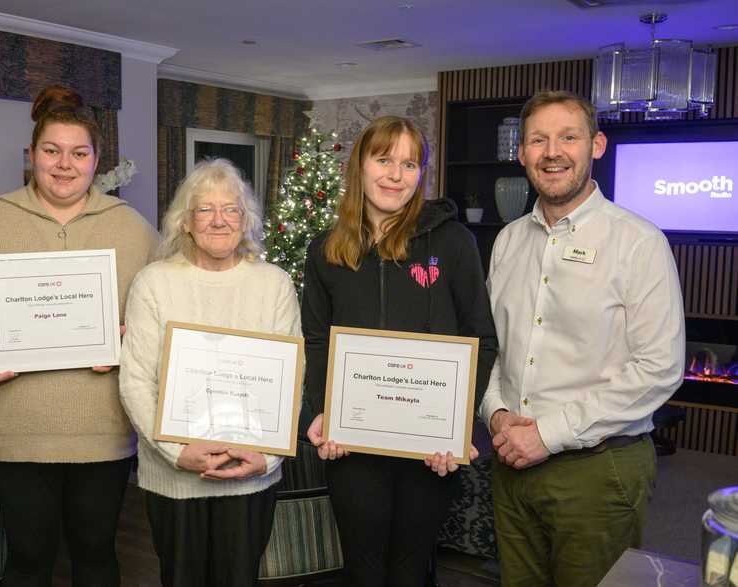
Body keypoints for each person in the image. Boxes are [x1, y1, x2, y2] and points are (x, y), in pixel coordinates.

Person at [0, 85, 157, 586]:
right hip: (14, 429)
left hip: (104, 429)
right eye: (51, 151)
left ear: (97, 160)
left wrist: (132, 343)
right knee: (28, 558)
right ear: (31, 155)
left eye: (79, 153)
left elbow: (163, 314)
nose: (64, 165)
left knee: (97, 553)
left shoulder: (135, 231)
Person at [477, 90, 685, 587]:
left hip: (599, 469)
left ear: (596, 145)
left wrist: (548, 435)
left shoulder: (638, 242)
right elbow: (494, 348)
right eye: (538, 140)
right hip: (511, 464)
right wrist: (496, 412)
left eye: (568, 137)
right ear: (522, 153)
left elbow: (659, 368)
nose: (552, 152)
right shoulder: (507, 242)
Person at [301, 116, 498, 585]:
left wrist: (459, 423)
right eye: (384, 159)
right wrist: (321, 411)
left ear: (421, 174)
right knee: (364, 571)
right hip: (354, 444)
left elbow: (481, 337)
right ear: (360, 165)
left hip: (428, 446)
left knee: (412, 571)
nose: (395, 174)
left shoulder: (452, 242)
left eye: (410, 164)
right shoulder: (325, 248)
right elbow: (316, 339)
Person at [118, 158, 300, 586]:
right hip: (174, 479)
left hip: (250, 477)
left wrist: (268, 456)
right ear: (185, 221)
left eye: (231, 209)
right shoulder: (153, 283)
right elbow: (135, 381)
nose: (219, 220)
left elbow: (290, 382)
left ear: (246, 219)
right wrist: (176, 451)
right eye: (205, 209)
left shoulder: (274, 284)